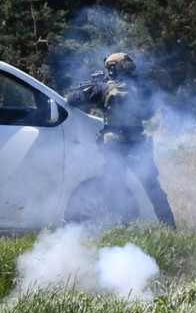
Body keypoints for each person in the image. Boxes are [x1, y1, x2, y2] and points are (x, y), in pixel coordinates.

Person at [66, 52, 176, 227]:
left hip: (114, 145)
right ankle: (170, 227)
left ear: (111, 69)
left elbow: (72, 100)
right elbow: (148, 114)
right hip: (138, 144)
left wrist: (95, 88)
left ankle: (120, 227)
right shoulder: (142, 89)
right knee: (153, 188)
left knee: (116, 188)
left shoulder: (101, 87)